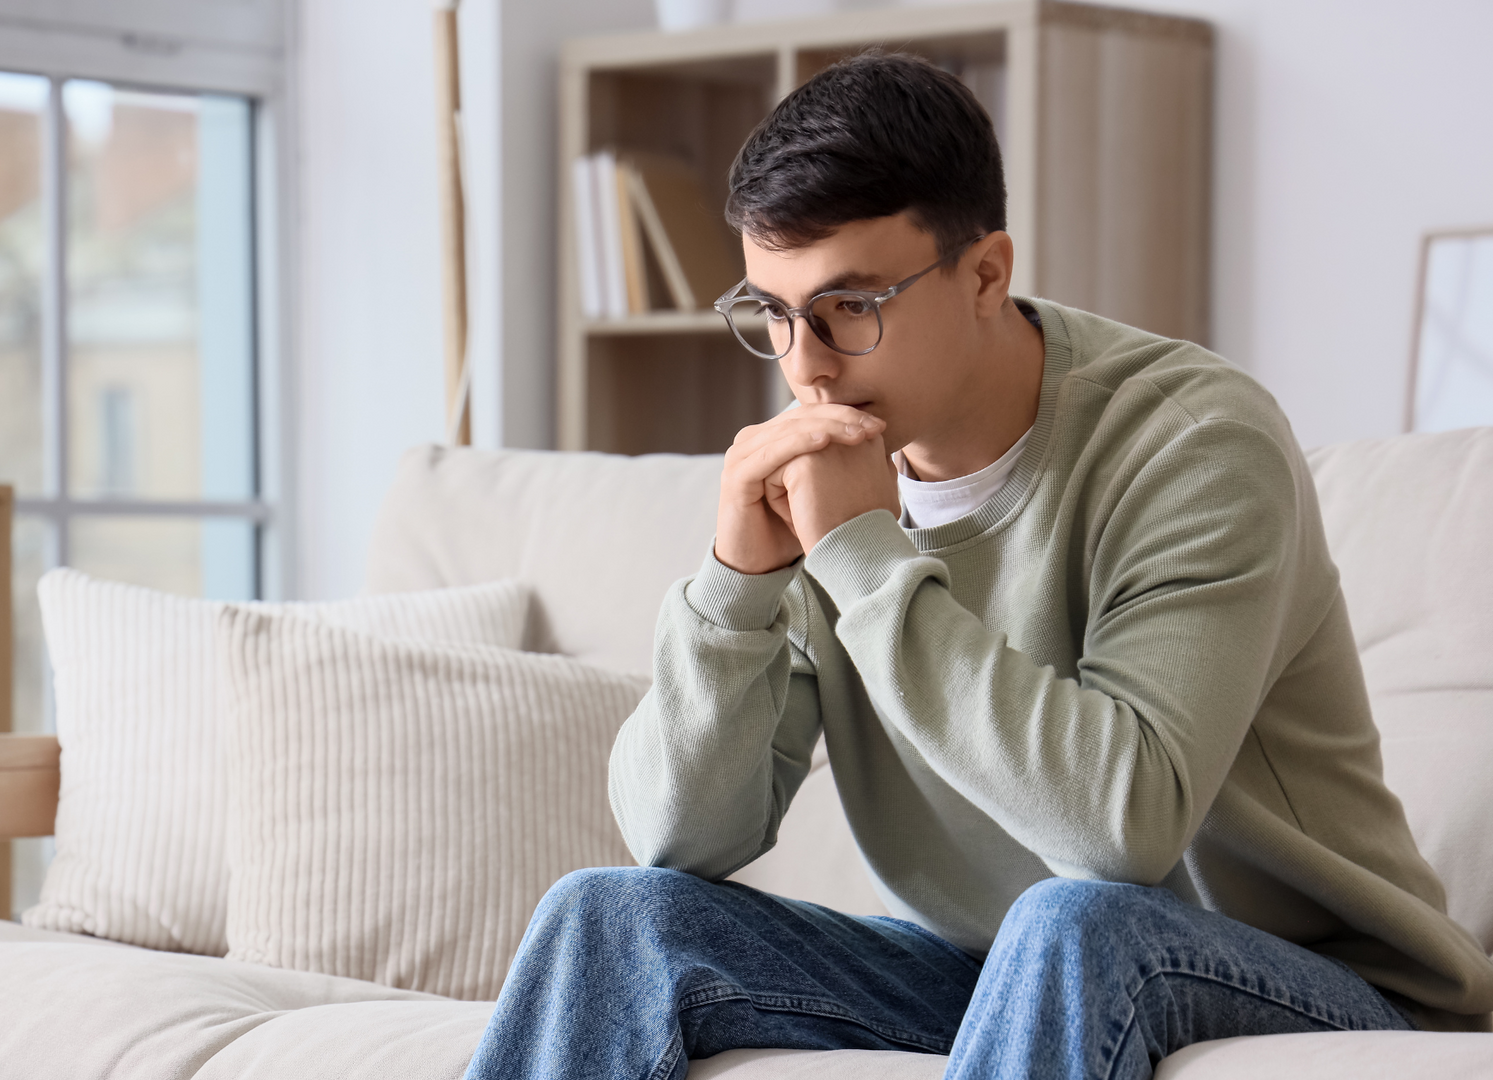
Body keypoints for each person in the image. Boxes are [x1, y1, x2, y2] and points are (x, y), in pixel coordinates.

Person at [463, 50, 1493, 1080]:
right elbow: (677, 841)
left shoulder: (1195, 443)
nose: (805, 366)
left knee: (1073, 923)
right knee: (610, 918)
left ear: (988, 275)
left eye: (849, 305)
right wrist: (736, 585)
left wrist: (861, 559)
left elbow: (1119, 831)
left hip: (1323, 984)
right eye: (773, 312)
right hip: (996, 969)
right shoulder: (827, 478)